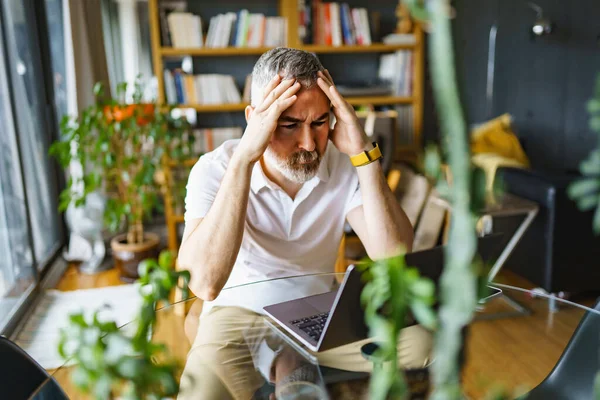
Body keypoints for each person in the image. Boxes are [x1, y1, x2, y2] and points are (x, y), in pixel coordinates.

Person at [177, 48, 430, 399]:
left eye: (320, 122)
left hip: (320, 313)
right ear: (256, 120)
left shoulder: (344, 164)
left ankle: (294, 368)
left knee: (422, 346)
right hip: (237, 313)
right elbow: (203, 284)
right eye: (290, 125)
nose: (309, 144)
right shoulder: (215, 168)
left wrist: (364, 153)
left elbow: (393, 255)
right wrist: (244, 159)